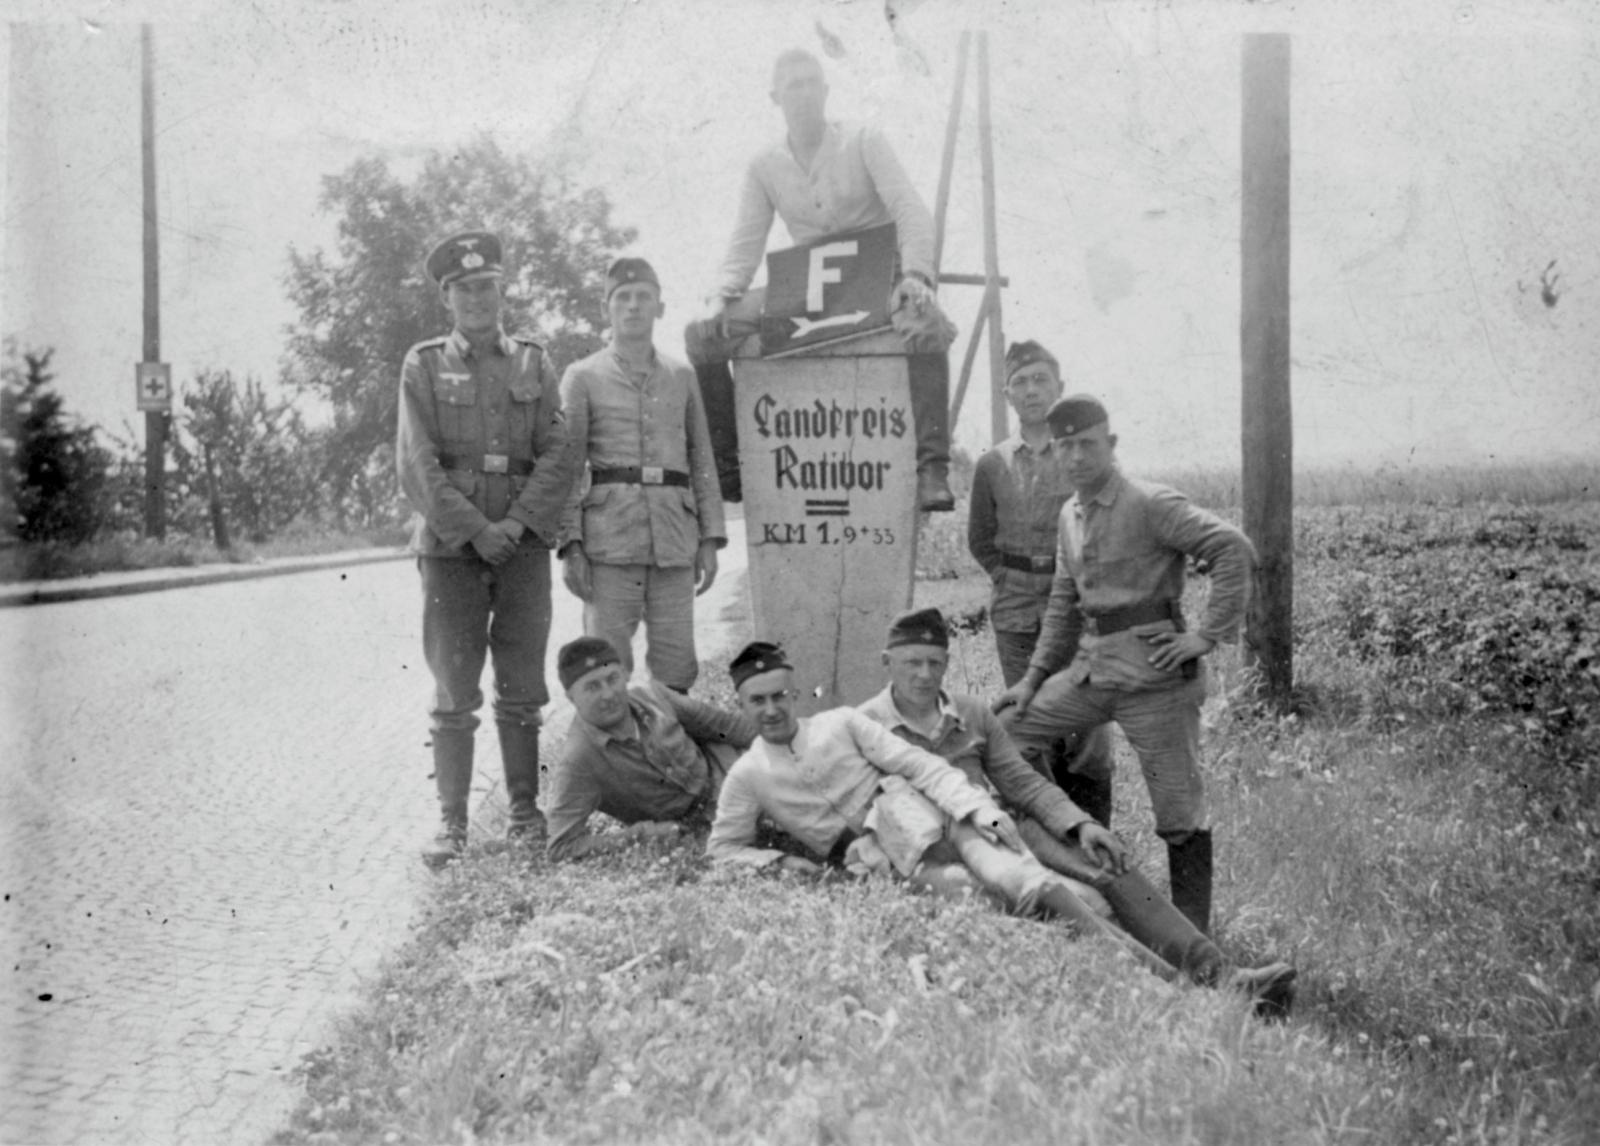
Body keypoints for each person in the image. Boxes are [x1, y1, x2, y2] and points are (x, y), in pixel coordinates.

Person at [859, 607, 1295, 1013]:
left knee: (1107, 862)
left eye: (935, 663)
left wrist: (1081, 824)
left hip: (1002, 825)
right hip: (942, 845)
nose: (924, 674)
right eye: (912, 662)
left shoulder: (970, 712)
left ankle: (1221, 974)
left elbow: (1022, 782)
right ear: (887, 661)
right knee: (1070, 899)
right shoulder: (865, 726)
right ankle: (1179, 995)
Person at [994, 394, 1257, 938]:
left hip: (1156, 679)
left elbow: (1231, 547)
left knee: (1178, 815)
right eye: (1064, 446)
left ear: (1110, 446)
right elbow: (1064, 604)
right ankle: (1075, 864)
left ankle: (1193, 941)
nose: (1075, 457)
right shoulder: (1070, 513)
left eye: (1087, 444)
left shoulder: (1148, 502)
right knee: (1007, 735)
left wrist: (1206, 637)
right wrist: (1032, 681)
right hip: (1092, 674)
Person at [685, 47, 956, 512]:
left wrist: (916, 275)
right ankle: (732, 467)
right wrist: (718, 297)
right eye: (793, 85)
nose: (804, 94)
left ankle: (932, 467)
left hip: (876, 272)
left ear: (826, 91)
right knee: (702, 334)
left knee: (923, 318)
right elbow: (745, 245)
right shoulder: (763, 164)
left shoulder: (863, 138)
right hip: (811, 283)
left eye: (812, 83)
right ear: (775, 97)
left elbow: (909, 208)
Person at [396, 229, 574, 867]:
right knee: (453, 690)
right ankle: (453, 825)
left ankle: (525, 813)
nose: (477, 298)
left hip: (523, 551)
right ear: (447, 298)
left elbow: (559, 451)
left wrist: (519, 524)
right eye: (464, 289)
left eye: (487, 287)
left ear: (502, 290)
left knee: (523, 686)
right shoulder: (422, 365)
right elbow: (417, 464)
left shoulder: (534, 362)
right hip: (451, 552)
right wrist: (478, 530)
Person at [559, 257, 726, 693]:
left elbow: (701, 460)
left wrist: (709, 539)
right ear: (606, 309)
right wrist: (571, 544)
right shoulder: (582, 377)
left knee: (676, 667)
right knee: (604, 664)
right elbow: (567, 466)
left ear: (660, 308)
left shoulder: (682, 375)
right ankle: (613, 758)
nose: (633, 306)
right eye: (623, 298)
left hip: (674, 539)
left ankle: (673, 752)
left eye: (644, 298)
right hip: (609, 542)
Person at [968, 339, 1116, 826]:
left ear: (1059, 388)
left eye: (1041, 380)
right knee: (1029, 719)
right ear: (1007, 393)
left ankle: (1100, 840)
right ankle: (1055, 835)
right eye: (1021, 382)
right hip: (1015, 608)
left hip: (1075, 603)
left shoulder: (1077, 455)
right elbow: (980, 539)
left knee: (1087, 725)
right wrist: (1008, 576)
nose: (1031, 390)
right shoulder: (992, 465)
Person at [544, 636, 755, 862]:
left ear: (625, 675)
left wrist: (787, 741)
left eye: (612, 679)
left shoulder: (654, 696)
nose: (607, 694)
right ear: (571, 697)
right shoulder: (579, 759)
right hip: (698, 823)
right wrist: (643, 834)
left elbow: (724, 726)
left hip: (731, 769)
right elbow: (561, 847)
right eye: (592, 687)